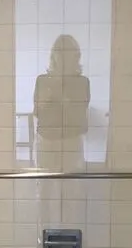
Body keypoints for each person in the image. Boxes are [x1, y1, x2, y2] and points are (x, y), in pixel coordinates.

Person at [33, 35, 90, 170]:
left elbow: (81, 116)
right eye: (59, 52)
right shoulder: (43, 81)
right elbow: (36, 112)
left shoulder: (82, 82)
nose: (64, 57)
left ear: (76, 56)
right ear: (53, 55)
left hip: (71, 141)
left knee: (71, 181)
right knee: (45, 182)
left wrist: (64, 100)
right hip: (46, 141)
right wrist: (46, 99)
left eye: (68, 53)